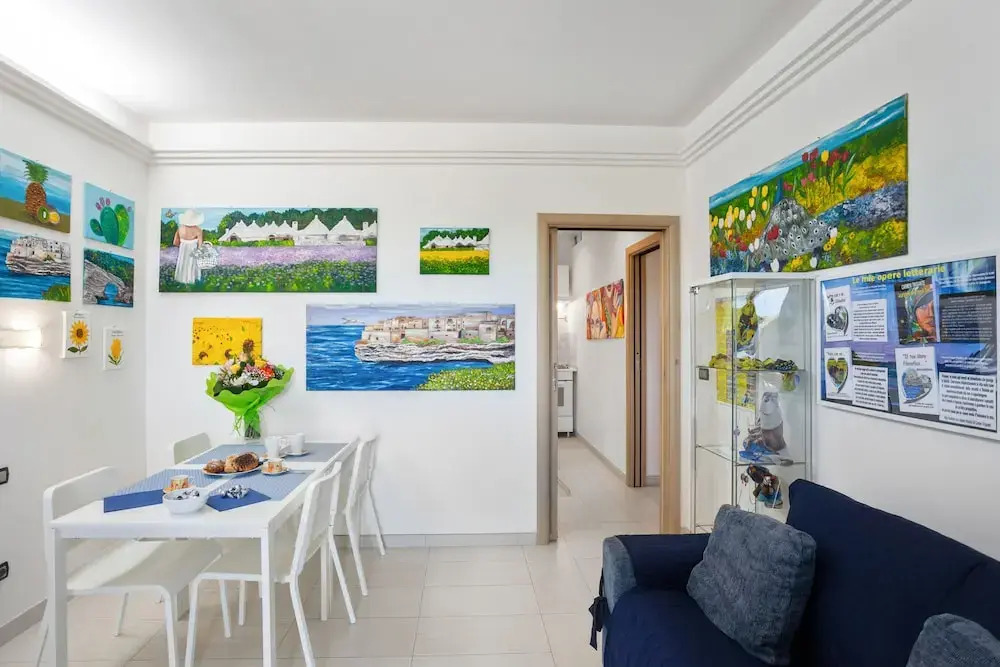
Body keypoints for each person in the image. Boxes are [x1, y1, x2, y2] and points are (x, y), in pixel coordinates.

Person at [173, 209, 204, 285]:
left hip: (183, 250)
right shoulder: (198, 230)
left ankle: (181, 280)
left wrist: (183, 245)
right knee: (192, 264)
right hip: (193, 251)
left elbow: (175, 242)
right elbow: (200, 245)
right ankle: (191, 280)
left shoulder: (180, 229)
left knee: (182, 263)